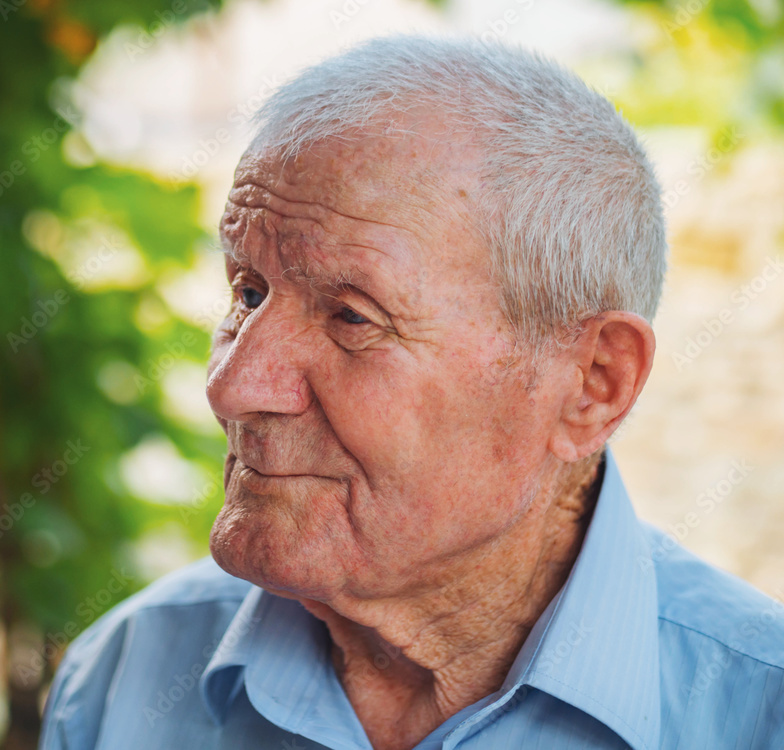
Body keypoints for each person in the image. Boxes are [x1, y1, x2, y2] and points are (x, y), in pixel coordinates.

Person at [38, 35, 784, 750]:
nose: (234, 386)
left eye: (352, 317)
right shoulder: (121, 684)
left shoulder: (756, 711)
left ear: (593, 384)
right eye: (248, 291)